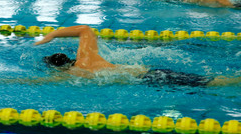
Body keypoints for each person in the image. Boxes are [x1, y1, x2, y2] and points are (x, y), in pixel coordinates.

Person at [34, 25, 241, 87]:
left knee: (212, 84)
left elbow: (31, 82)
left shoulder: (74, 75)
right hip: (152, 73)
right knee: (206, 82)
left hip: (148, 81)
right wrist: (51, 34)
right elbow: (85, 30)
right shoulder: (86, 57)